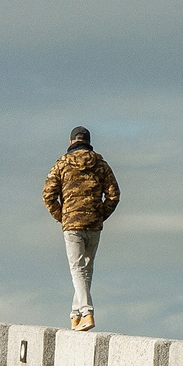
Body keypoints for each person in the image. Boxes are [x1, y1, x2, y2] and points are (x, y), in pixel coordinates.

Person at [42, 126, 120, 332]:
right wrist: (100, 215)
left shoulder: (62, 163)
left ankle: (87, 312)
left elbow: (48, 194)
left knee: (77, 269)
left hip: (72, 224)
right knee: (86, 270)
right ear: (88, 141)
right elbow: (114, 194)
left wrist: (62, 217)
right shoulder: (101, 164)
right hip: (93, 224)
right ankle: (75, 315)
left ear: (71, 142)